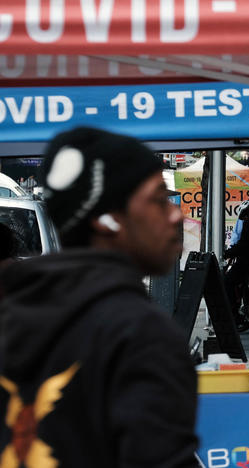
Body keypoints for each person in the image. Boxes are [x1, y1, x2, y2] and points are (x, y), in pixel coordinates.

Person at [0, 127, 198, 467]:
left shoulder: (12, 315)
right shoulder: (138, 333)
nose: (176, 214)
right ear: (108, 220)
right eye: (157, 199)